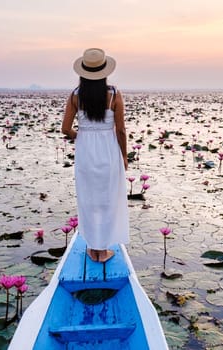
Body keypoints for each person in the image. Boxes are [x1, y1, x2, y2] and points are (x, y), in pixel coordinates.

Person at [61, 48, 129, 263]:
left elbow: (65, 128)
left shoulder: (75, 95)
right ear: (105, 71)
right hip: (108, 149)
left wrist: (80, 136)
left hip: (85, 151)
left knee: (88, 198)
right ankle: (104, 248)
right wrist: (124, 156)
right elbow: (120, 130)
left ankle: (93, 248)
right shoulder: (114, 94)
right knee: (108, 198)